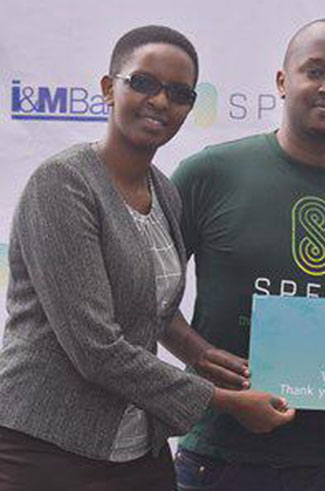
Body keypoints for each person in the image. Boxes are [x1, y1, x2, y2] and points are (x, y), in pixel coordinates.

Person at [0, 25, 295, 491]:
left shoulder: (165, 193)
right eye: (143, 83)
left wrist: (202, 353)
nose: (161, 101)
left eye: (179, 93)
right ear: (108, 88)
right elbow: (96, 349)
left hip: (139, 446)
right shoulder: (61, 185)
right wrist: (222, 400)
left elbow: (152, 307)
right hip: (45, 447)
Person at [170, 18, 325, 491]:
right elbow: (145, 293)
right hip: (217, 457)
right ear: (282, 81)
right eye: (314, 71)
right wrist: (198, 354)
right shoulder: (208, 174)